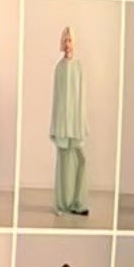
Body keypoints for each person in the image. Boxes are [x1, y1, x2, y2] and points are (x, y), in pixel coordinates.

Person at [51, 24, 90, 217]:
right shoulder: (59, 68)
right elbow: (56, 99)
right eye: (65, 40)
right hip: (62, 124)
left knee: (81, 160)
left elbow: (82, 97)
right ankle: (62, 204)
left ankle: (78, 202)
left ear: (74, 43)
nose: (67, 44)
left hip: (76, 124)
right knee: (63, 164)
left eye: (70, 40)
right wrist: (55, 126)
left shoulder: (78, 67)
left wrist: (82, 124)